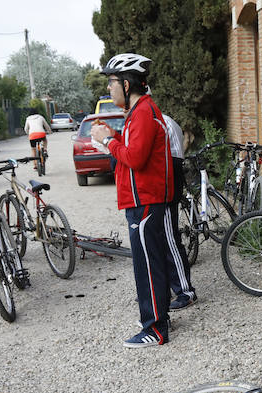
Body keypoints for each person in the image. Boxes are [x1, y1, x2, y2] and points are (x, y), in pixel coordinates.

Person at [91, 53, 177, 348]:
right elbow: (134, 148)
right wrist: (113, 135)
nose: (110, 88)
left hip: (145, 201)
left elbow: (135, 159)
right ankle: (154, 318)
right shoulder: (140, 110)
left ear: (127, 84)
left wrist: (107, 141)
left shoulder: (142, 111)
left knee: (147, 266)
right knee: (150, 262)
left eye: (112, 82)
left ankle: (155, 328)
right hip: (142, 200)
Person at [162, 112, 196, 310]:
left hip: (167, 183)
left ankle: (185, 291)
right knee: (160, 241)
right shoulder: (159, 120)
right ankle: (163, 289)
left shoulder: (162, 122)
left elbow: (173, 159)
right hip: (164, 181)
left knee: (170, 240)